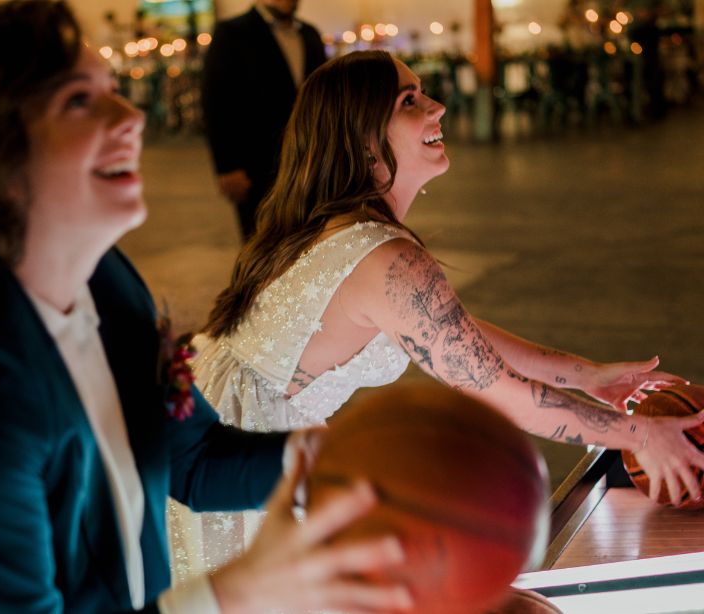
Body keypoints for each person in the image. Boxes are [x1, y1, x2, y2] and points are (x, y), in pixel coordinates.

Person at [0, 5, 415, 613]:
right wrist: (237, 593)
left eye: (113, 91)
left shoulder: (106, 284)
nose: (131, 117)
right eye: (80, 101)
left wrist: (337, 460)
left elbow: (195, 461)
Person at [170, 50, 704, 582]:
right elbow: (499, 392)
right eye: (410, 100)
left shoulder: (339, 226)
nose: (438, 107)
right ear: (362, 135)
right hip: (246, 459)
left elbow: (454, 334)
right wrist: (639, 435)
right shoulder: (383, 257)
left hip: (237, 434)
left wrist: (588, 376)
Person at [201, 0, 326, 240]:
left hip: (311, 161)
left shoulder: (309, 34)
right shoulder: (232, 33)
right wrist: (226, 166)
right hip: (255, 165)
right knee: (262, 243)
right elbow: (217, 102)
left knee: (310, 240)